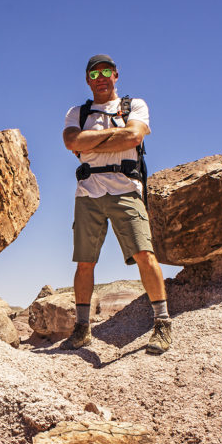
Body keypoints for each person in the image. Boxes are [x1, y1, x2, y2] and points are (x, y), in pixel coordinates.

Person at [60, 54, 172, 353]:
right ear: (87, 80)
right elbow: (72, 142)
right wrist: (115, 136)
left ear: (116, 75)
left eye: (106, 72)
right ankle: (82, 329)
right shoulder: (77, 112)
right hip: (88, 193)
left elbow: (134, 136)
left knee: (145, 255)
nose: (101, 77)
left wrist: (92, 140)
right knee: (85, 263)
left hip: (126, 190)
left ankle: (162, 324)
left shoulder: (135, 106)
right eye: (95, 74)